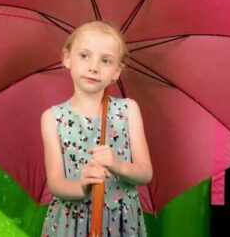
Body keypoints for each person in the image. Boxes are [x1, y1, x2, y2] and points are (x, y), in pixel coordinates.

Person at [41, 21, 152, 236]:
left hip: (120, 222)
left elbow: (145, 172)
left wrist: (116, 164)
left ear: (117, 71)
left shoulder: (128, 110)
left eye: (106, 60)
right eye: (84, 55)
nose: (94, 67)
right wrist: (81, 186)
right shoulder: (52, 118)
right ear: (67, 58)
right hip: (71, 222)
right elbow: (55, 183)